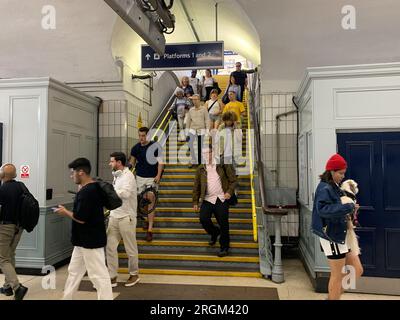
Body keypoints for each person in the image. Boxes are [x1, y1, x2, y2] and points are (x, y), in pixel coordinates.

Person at [55, 158, 113, 300]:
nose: (71, 176)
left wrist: (65, 212)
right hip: (82, 241)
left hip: (90, 241)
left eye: (72, 173)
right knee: (74, 271)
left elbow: (81, 218)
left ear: (81, 172)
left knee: (98, 275)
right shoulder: (91, 188)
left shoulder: (88, 192)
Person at [311, 154, 363, 300]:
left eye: (343, 173)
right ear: (331, 171)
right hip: (331, 236)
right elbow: (323, 210)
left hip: (341, 233)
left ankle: (332, 297)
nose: (343, 176)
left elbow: (338, 206)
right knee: (337, 275)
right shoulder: (324, 188)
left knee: (357, 270)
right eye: (340, 173)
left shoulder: (334, 187)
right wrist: (347, 207)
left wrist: (351, 208)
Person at [193, 145, 237, 257]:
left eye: (209, 153)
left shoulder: (222, 165)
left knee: (223, 223)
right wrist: (195, 202)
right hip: (207, 199)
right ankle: (214, 232)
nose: (207, 156)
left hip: (221, 198)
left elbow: (233, 180)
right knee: (203, 219)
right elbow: (196, 187)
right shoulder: (200, 169)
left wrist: (229, 192)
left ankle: (224, 247)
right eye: (204, 153)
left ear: (213, 153)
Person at [106, 152, 140, 288]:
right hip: (114, 216)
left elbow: (125, 194)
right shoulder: (116, 176)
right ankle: (112, 276)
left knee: (130, 248)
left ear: (119, 162)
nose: (110, 164)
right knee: (110, 247)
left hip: (127, 217)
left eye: (112, 161)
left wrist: (109, 192)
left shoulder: (129, 176)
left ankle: (134, 274)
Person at [0, 164, 29, 300]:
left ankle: (17, 287)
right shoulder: (21, 186)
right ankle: (7, 286)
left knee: (3, 258)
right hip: (19, 227)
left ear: (2, 174)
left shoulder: (3, 188)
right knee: (10, 255)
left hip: (5, 227)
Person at [130, 127, 164, 242]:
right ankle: (145, 218)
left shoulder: (155, 146)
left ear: (148, 135)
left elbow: (160, 162)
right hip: (140, 177)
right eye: (140, 136)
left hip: (151, 178)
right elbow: (132, 163)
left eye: (143, 136)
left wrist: (158, 176)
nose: (141, 138)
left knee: (150, 200)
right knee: (142, 201)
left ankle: (150, 230)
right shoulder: (135, 148)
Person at [185, 94, 210, 168]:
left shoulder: (204, 109)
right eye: (193, 100)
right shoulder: (191, 110)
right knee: (190, 145)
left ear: (199, 100)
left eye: (196, 99)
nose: (194, 101)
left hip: (201, 130)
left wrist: (207, 130)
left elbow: (207, 120)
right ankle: (193, 160)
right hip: (192, 130)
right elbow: (188, 121)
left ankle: (199, 162)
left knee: (200, 147)